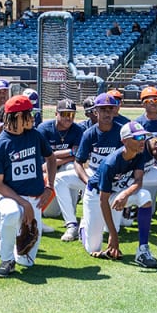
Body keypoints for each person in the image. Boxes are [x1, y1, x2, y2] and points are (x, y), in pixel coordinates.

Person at [0, 94, 58, 278]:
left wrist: (49, 186)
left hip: (34, 199)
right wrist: (22, 203)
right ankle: (6, 261)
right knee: (11, 213)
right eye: (29, 114)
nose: (34, 118)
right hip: (9, 197)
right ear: (17, 117)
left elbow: (51, 158)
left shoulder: (34, 136)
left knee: (26, 261)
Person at [82, 121, 157, 269]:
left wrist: (125, 194)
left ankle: (143, 250)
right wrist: (114, 236)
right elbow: (103, 200)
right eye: (137, 138)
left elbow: (138, 182)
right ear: (124, 140)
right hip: (96, 195)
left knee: (145, 197)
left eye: (143, 137)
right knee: (93, 248)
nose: (142, 141)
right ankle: (83, 227)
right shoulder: (110, 163)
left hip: (118, 193)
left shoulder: (139, 154)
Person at [57, 93, 123, 239]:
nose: (107, 113)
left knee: (115, 227)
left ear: (114, 110)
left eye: (110, 109)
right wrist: (88, 181)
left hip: (116, 178)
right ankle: (72, 224)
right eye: (103, 109)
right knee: (59, 179)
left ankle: (89, 222)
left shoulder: (122, 131)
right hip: (93, 173)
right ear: (95, 111)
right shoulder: (89, 133)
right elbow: (78, 162)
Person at [38, 99, 86, 235]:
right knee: (51, 213)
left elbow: (77, 156)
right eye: (65, 113)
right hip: (45, 172)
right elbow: (43, 159)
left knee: (72, 168)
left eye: (71, 114)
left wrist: (54, 157)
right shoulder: (44, 128)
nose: (68, 118)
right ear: (56, 114)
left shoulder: (77, 130)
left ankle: (71, 214)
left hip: (63, 166)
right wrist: (70, 152)